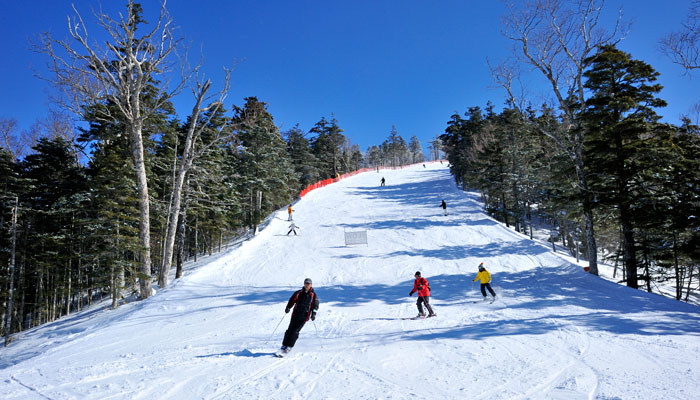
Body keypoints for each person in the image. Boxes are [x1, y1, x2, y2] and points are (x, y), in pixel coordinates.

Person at [280, 278, 319, 354]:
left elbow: (315, 306)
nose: (306, 285)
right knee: (289, 330)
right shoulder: (298, 293)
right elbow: (292, 300)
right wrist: (288, 307)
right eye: (305, 283)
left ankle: (289, 347)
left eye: (308, 283)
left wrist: (313, 314)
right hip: (295, 314)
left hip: (304, 316)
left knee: (295, 331)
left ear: (311, 285)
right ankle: (284, 345)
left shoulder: (313, 295)